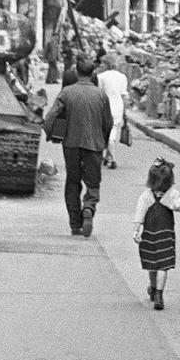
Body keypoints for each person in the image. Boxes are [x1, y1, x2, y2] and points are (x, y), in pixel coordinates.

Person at [41, 54, 113, 237]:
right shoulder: (101, 95)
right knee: (93, 181)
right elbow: (108, 123)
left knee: (73, 182)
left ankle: (75, 223)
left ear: (76, 72)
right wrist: (103, 141)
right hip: (94, 145)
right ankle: (89, 206)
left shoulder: (66, 92)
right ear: (92, 73)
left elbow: (49, 118)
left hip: (71, 144)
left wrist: (52, 135)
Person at [133, 157, 180, 310]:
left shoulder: (146, 196)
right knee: (163, 265)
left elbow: (139, 214)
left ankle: (153, 288)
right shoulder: (171, 195)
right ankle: (159, 294)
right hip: (165, 234)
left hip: (148, 234)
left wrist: (136, 230)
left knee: (152, 265)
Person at [98, 51, 130, 168]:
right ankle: (107, 156)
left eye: (102, 63)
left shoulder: (101, 77)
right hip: (118, 107)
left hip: (105, 107)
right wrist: (125, 112)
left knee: (106, 133)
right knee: (113, 130)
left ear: (106, 64)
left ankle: (113, 159)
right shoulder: (122, 77)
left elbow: (99, 94)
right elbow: (124, 96)